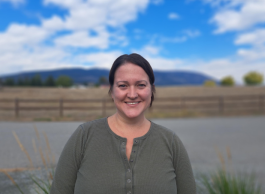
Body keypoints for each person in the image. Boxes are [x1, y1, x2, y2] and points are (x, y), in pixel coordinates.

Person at [50, 53, 196, 194]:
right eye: (123, 85)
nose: (132, 94)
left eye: (141, 85)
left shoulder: (170, 142)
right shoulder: (84, 136)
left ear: (151, 90)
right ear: (112, 91)